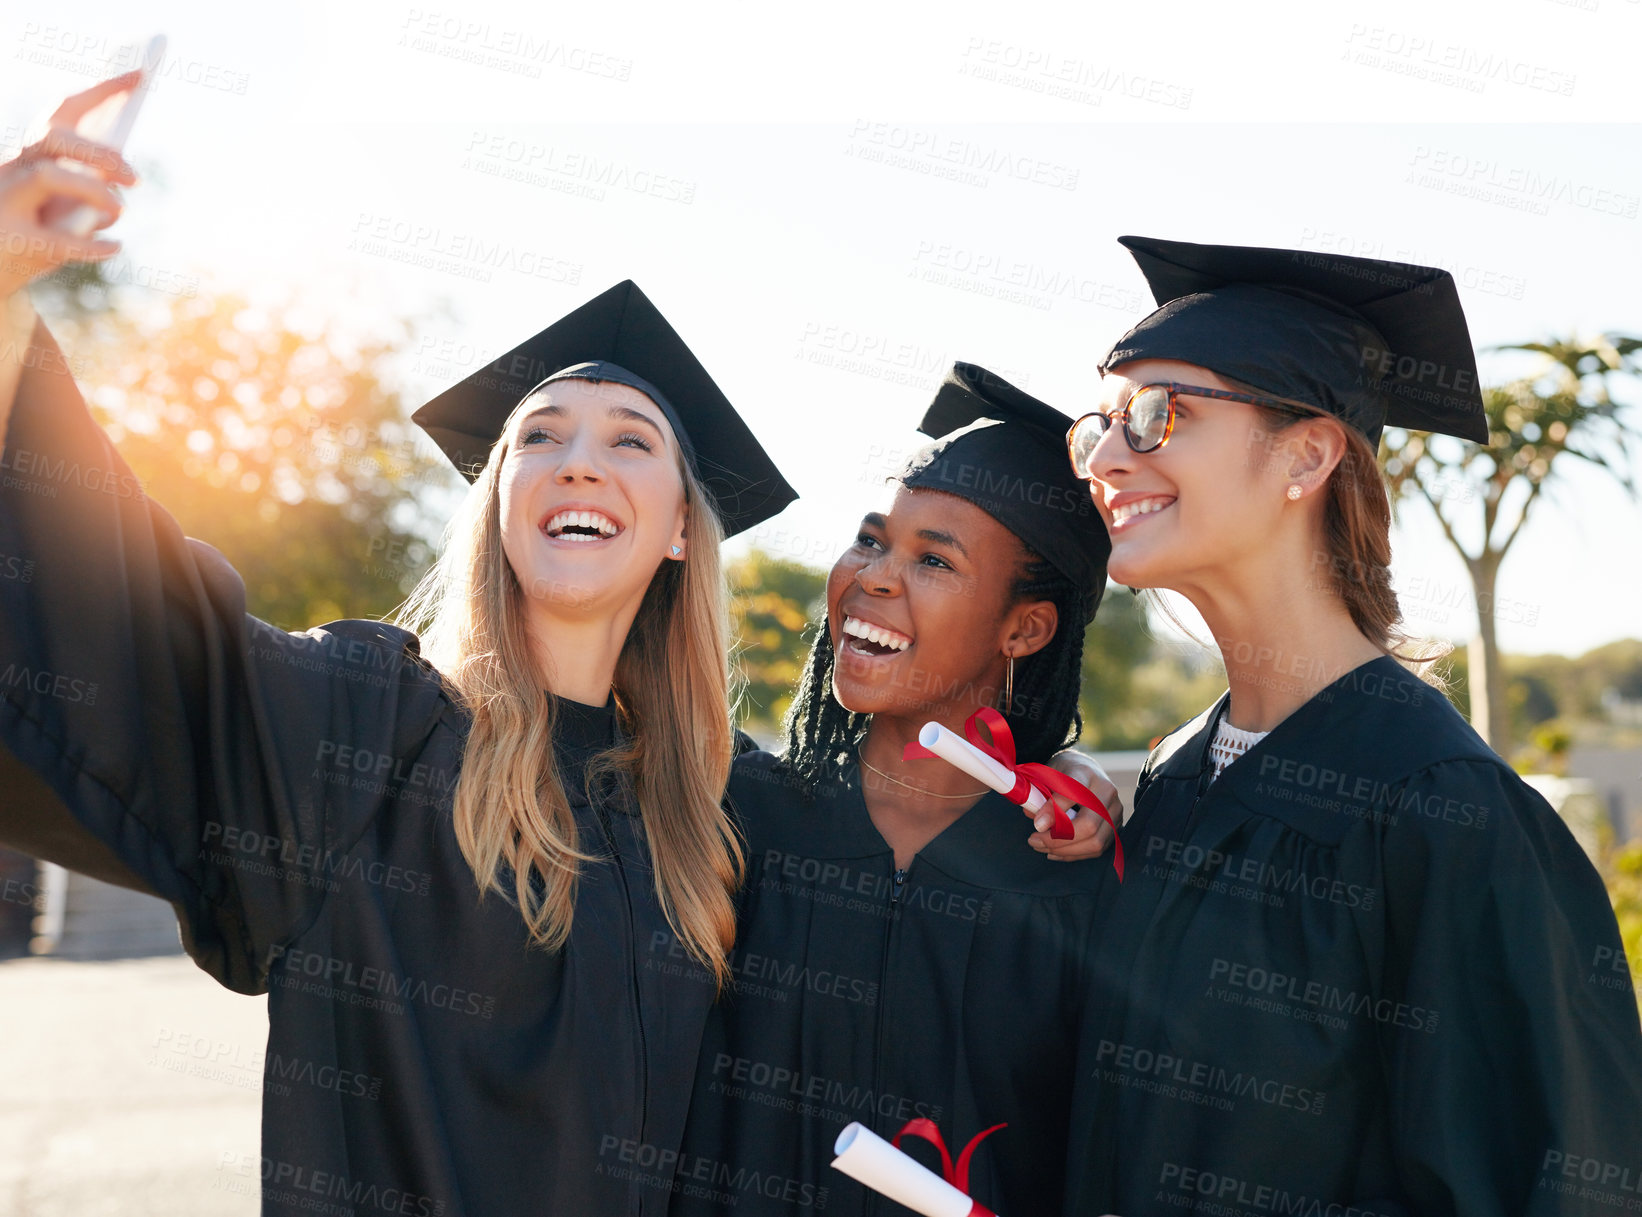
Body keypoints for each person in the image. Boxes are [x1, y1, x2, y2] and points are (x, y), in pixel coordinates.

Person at [0, 74, 799, 1216]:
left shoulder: (720, 818)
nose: (579, 460)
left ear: (681, 527)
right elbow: (129, 610)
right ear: (496, 498)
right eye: (540, 437)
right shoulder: (371, 732)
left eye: (631, 441)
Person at [1062, 236, 1642, 1216]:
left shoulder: (1443, 813)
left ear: (1305, 454)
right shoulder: (1172, 779)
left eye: (1161, 414)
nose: (1108, 458)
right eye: (1101, 425)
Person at [668, 363, 1121, 1217]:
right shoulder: (735, 816)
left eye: (932, 560)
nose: (875, 575)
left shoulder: (1074, 879)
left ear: (1024, 627)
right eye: (871, 540)